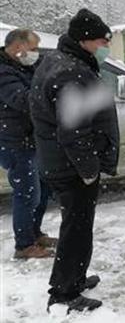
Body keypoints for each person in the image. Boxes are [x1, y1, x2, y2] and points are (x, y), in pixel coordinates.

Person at [29, 9, 119, 311]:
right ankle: (66, 291)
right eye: (101, 41)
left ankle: (73, 277)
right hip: (71, 168)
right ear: (84, 41)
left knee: (75, 227)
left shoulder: (58, 61)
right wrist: (89, 170)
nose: (104, 47)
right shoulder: (71, 72)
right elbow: (73, 131)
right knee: (76, 230)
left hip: (58, 162)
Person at [0, 29, 57, 260]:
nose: (35, 54)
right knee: (27, 194)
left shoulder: (23, 66)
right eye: (32, 49)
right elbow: (22, 100)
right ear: (17, 48)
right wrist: (52, 92)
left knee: (42, 190)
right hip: (14, 142)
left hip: (32, 139)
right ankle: (24, 245)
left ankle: (35, 233)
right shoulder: (4, 72)